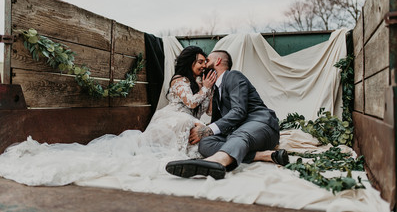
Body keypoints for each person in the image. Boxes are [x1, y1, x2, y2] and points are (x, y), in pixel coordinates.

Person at [0, 46, 217, 186]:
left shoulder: (199, 84)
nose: (202, 65)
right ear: (189, 62)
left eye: (204, 62)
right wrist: (205, 89)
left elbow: (205, 110)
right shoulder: (180, 80)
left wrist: (209, 89)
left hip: (186, 121)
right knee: (186, 126)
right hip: (171, 121)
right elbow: (189, 102)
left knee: (198, 128)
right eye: (199, 61)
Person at [166, 50, 289, 180]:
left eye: (207, 60)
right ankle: (263, 155)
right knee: (205, 144)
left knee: (239, 135)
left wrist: (206, 130)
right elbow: (219, 121)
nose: (204, 65)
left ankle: (215, 162)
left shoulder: (233, 76)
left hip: (261, 125)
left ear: (218, 61)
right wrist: (204, 132)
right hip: (239, 134)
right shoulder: (216, 90)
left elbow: (239, 111)